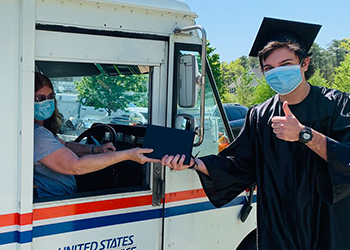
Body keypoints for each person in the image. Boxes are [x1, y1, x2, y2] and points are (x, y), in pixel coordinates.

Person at [161, 17, 350, 249]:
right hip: (278, 227)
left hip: (327, 224)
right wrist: (196, 163)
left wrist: (304, 134)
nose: (276, 73)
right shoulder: (259, 115)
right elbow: (241, 164)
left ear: (305, 63)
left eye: (285, 64)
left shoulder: (338, 106)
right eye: (269, 68)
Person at [34, 72, 159, 198]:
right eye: (40, 98)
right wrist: (127, 155)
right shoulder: (38, 135)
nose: (48, 101)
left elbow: (65, 145)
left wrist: (96, 149)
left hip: (60, 196)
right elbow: (76, 166)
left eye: (50, 96)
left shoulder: (40, 130)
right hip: (51, 199)